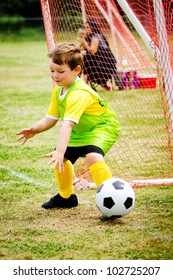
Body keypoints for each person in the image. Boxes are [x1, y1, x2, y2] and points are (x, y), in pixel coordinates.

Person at [16, 43, 120, 219]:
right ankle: (66, 197)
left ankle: (111, 202)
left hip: (102, 127)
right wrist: (35, 129)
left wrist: (59, 150)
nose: (55, 75)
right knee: (62, 160)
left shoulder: (78, 93)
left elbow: (67, 125)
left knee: (92, 157)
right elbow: (51, 118)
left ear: (76, 70)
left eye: (60, 71)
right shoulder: (59, 91)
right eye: (52, 70)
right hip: (81, 131)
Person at [78, 20, 122, 91]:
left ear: (92, 27)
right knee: (84, 59)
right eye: (85, 27)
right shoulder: (90, 37)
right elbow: (83, 49)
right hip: (99, 64)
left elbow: (93, 51)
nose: (86, 29)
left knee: (86, 61)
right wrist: (81, 42)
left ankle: (85, 83)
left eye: (88, 27)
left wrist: (85, 43)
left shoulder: (95, 36)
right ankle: (104, 86)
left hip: (104, 64)